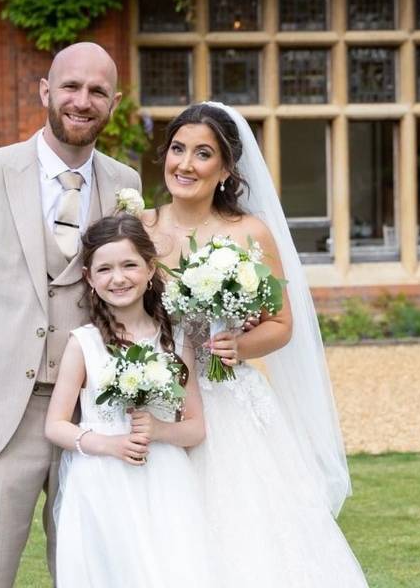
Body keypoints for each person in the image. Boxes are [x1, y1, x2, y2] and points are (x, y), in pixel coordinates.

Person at [0, 42, 141, 587]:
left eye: (97, 91)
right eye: (70, 86)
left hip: (96, 414)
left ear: (113, 102)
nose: (82, 100)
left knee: (89, 573)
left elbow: (140, 291)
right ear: (46, 91)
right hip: (0, 416)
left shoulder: (126, 186)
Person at [142, 102, 368, 587]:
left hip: (228, 406)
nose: (185, 164)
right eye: (178, 149)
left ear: (225, 169)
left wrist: (236, 348)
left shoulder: (249, 233)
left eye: (203, 154)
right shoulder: (138, 229)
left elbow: (282, 324)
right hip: (156, 400)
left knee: (245, 535)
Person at [45, 214, 212, 588]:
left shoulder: (175, 340)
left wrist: (158, 430)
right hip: (101, 482)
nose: (117, 278)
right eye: (104, 269)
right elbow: (55, 425)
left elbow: (196, 427)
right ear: (89, 278)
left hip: (164, 480)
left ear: (150, 268)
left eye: (129, 265)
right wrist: (107, 443)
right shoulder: (84, 343)